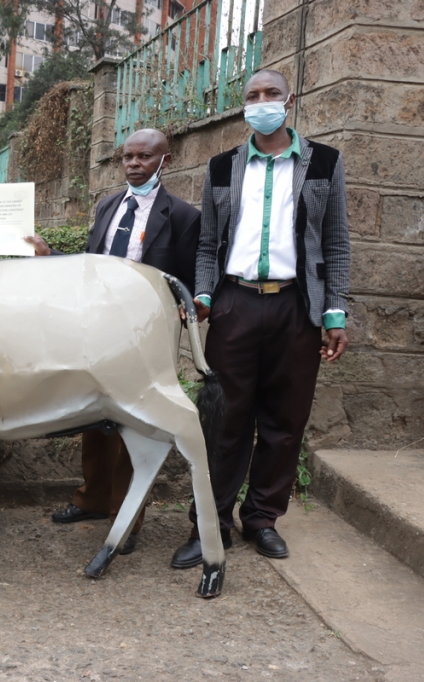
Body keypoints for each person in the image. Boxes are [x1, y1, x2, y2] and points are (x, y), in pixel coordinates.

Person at [170, 69, 351, 568]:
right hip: (235, 304)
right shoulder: (223, 167)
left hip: (298, 307)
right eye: (253, 96)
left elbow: (335, 242)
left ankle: (262, 519)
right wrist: (204, 294)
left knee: (284, 421)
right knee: (223, 419)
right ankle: (212, 524)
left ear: (289, 100)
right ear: (242, 106)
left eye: (271, 94)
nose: (262, 102)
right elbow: (208, 243)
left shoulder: (324, 164)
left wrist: (334, 311)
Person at [27, 128, 200, 555]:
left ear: (166, 160)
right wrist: (52, 259)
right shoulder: (108, 206)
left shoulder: (181, 216)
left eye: (144, 157)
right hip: (99, 330)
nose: (134, 164)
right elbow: (92, 264)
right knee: (95, 417)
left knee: (136, 422)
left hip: (144, 337)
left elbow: (187, 282)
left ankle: (127, 515)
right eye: (127, 157)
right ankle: (94, 499)